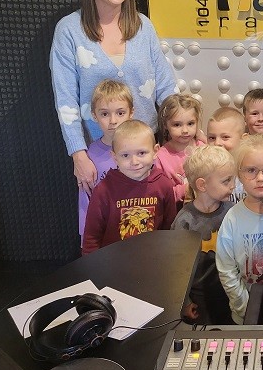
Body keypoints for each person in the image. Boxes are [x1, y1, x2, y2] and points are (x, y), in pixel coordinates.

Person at [50, 0, 177, 195]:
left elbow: (165, 85)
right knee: (106, 217)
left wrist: (182, 131)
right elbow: (65, 99)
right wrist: (78, 154)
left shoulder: (142, 26)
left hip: (145, 150)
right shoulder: (69, 30)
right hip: (99, 154)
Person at [216, 135, 263, 323]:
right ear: (239, 175)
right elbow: (227, 270)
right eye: (251, 170)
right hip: (246, 315)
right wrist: (246, 308)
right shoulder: (232, 218)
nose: (260, 178)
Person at [82, 120, 177, 255]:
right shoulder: (103, 190)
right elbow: (91, 238)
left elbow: (169, 230)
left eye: (141, 153)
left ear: (155, 151)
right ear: (115, 157)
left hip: (152, 259)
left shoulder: (164, 185)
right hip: (113, 261)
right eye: (125, 155)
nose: (134, 162)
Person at [172, 145, 236, 324]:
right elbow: (177, 269)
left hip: (229, 290)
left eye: (233, 179)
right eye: (226, 181)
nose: (233, 186)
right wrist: (185, 302)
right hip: (199, 296)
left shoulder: (232, 211)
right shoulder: (185, 221)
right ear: (202, 185)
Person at [78, 80, 133, 246]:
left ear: (131, 113)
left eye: (120, 113)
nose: (113, 121)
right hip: (107, 236)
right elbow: (86, 199)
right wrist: (86, 239)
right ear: (94, 115)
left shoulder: (141, 150)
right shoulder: (91, 155)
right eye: (104, 114)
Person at [155, 94, 206, 205]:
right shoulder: (160, 158)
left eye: (190, 123)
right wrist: (186, 189)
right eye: (177, 125)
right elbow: (161, 194)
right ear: (165, 124)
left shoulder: (204, 149)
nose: (185, 130)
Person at [207, 107, 247, 203]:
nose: (217, 143)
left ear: (243, 139)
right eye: (212, 138)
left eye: (225, 137)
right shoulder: (205, 171)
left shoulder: (250, 171)